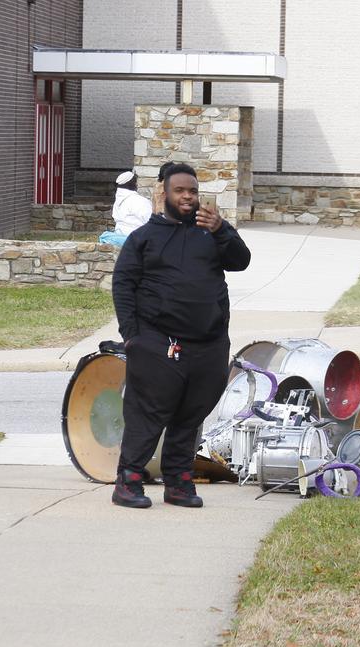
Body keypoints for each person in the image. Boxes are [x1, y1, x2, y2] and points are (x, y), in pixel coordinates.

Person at [110, 163, 251, 509]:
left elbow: (241, 260)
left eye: (192, 191)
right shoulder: (144, 238)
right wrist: (132, 336)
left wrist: (222, 230)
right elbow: (123, 285)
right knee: (150, 413)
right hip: (158, 343)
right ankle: (127, 481)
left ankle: (178, 483)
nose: (187, 197)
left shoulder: (210, 232)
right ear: (164, 193)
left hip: (208, 345)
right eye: (180, 191)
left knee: (191, 415)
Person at [99, 170, 152, 247]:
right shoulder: (139, 201)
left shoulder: (118, 200)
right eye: (136, 182)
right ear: (133, 184)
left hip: (120, 233)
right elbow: (150, 221)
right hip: (136, 237)